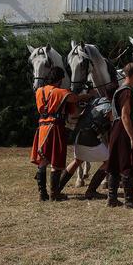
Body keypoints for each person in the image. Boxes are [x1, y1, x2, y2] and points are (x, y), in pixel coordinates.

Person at [30, 66, 89, 201]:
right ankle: (54, 193)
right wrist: (88, 95)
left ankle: (42, 193)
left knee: (43, 160)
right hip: (55, 127)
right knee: (56, 159)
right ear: (61, 79)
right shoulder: (61, 92)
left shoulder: (39, 91)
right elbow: (74, 99)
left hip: (42, 127)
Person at [107, 63, 133, 208]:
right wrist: (132, 138)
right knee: (126, 162)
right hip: (124, 129)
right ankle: (129, 200)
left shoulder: (120, 90)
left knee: (115, 163)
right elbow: (125, 116)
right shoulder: (127, 92)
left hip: (116, 129)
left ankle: (112, 198)